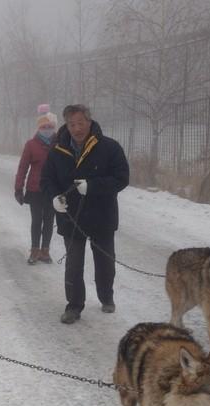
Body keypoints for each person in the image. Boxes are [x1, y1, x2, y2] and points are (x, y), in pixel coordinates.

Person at [40, 104, 129, 324]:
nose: (77, 128)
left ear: (89, 122)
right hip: (71, 218)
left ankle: (106, 295)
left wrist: (93, 186)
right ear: (66, 125)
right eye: (72, 124)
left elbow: (122, 178)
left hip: (102, 217)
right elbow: (46, 181)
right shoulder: (57, 150)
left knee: (105, 263)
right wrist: (54, 197)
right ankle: (74, 306)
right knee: (73, 265)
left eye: (81, 123)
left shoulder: (109, 147)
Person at [15, 104, 57, 265]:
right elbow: (23, 167)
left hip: (53, 190)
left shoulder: (59, 143)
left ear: (54, 128)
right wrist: (18, 188)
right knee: (36, 220)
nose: (47, 129)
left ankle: (45, 251)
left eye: (50, 127)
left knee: (49, 220)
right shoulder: (31, 145)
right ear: (39, 128)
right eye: (44, 127)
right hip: (35, 189)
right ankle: (34, 249)